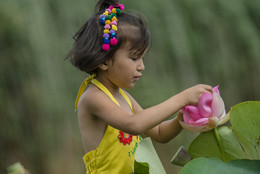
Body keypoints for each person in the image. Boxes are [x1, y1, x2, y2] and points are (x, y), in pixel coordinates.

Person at [66, 0, 212, 173]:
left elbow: (158, 132)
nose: (141, 66)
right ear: (104, 61)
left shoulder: (124, 97)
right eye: (134, 58)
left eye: (142, 58)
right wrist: (182, 98)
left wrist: (181, 118)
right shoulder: (93, 97)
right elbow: (134, 125)